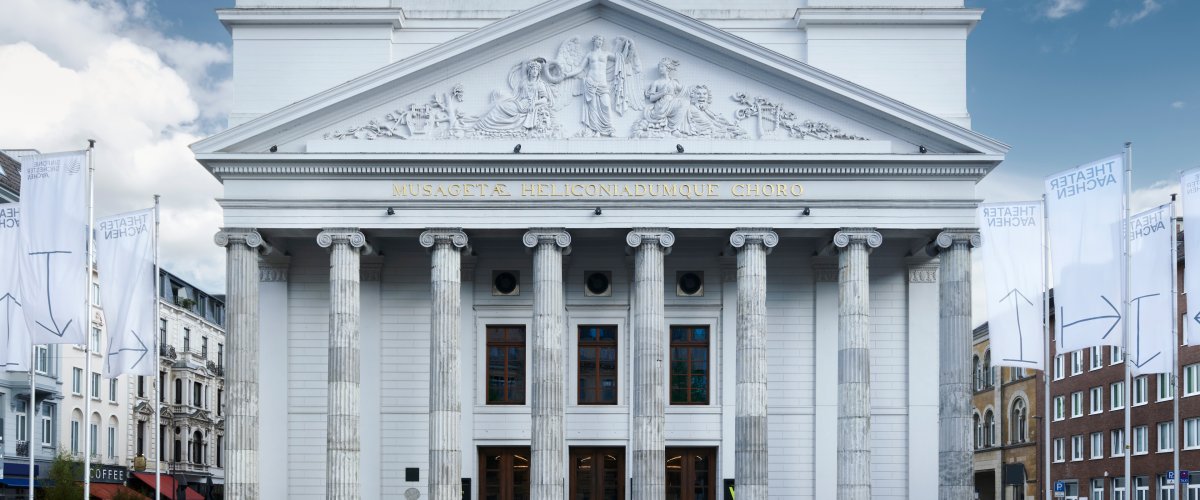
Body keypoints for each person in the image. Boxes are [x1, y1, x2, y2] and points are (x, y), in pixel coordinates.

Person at [473, 59, 559, 138]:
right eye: (533, 69)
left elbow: (544, 99)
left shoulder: (540, 84)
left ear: (538, 72)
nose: (535, 71)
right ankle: (483, 123)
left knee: (501, 107)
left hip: (527, 107)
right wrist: (537, 59)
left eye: (536, 70)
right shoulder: (524, 82)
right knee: (500, 105)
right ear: (529, 71)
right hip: (519, 103)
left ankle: (483, 125)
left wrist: (534, 103)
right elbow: (524, 62)